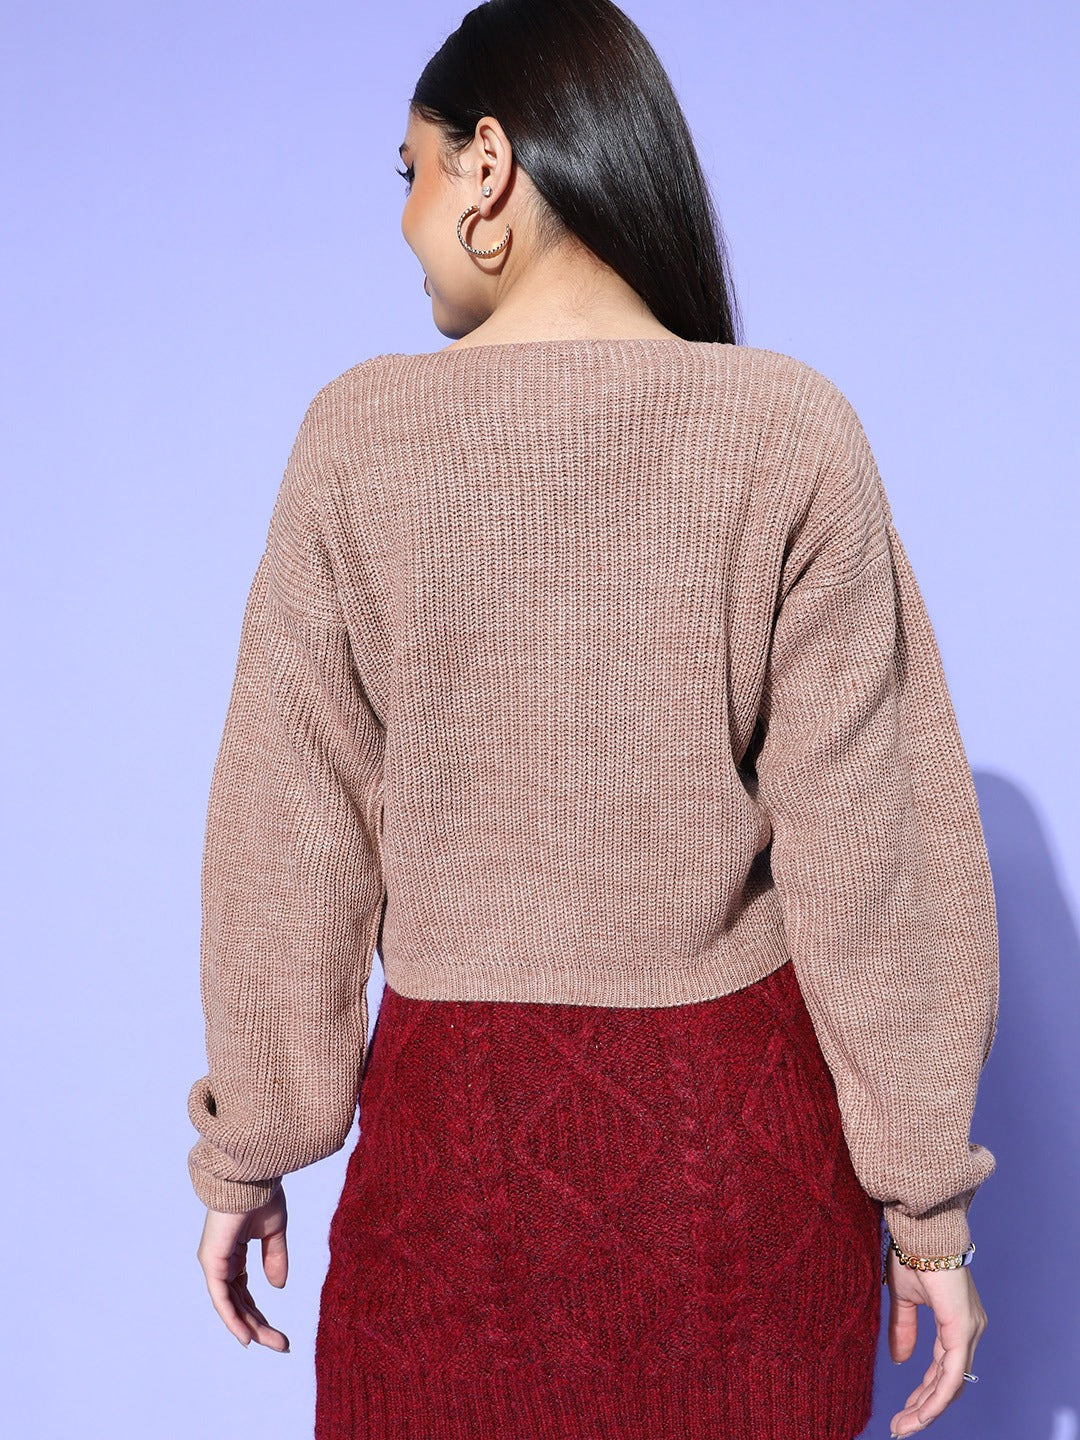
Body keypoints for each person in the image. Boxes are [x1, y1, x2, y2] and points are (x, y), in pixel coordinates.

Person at [187, 2, 997, 1437]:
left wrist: (251, 1145)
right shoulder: (789, 428)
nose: (406, 221)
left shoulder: (357, 438)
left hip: (458, 1181)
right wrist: (925, 1210)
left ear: (488, 165)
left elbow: (292, 830)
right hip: (744, 1185)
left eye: (411, 173)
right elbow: (875, 857)